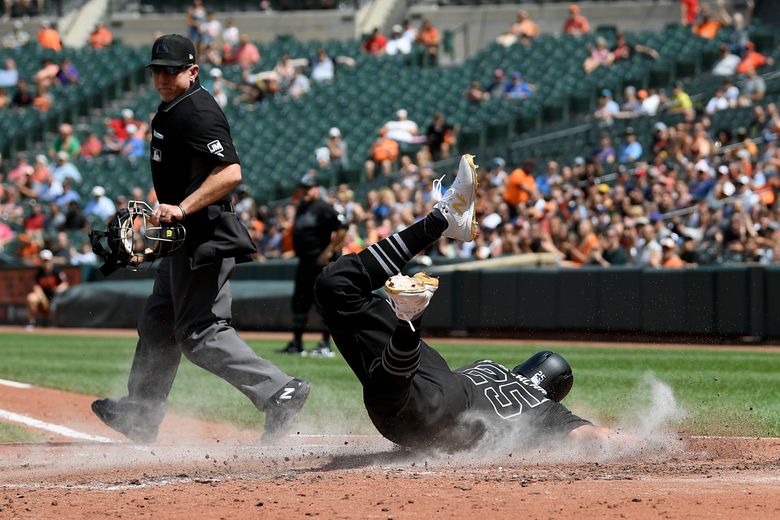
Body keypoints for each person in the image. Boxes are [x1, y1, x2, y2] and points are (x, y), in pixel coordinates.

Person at [91, 34, 310, 445]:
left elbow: (230, 173)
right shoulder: (171, 109)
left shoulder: (197, 111)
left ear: (192, 71)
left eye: (171, 70)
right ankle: (140, 414)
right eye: (157, 69)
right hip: (181, 238)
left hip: (203, 236)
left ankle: (278, 391)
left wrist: (182, 206)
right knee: (157, 324)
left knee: (200, 334)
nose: (162, 76)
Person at [314, 155, 615, 451]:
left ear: (528, 366)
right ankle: (409, 318)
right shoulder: (542, 408)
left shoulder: (489, 368)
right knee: (396, 391)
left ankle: (436, 228)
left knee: (335, 285)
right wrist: (653, 447)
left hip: (436, 386)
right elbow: (594, 436)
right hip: (427, 414)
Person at [280, 173, 347, 357]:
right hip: (304, 262)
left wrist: (328, 250)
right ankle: (297, 343)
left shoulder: (323, 207)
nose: (305, 191)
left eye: (309, 188)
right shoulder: (302, 207)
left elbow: (343, 226)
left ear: (317, 188)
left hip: (320, 262)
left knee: (323, 303)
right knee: (300, 302)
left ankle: (325, 344)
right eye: (303, 188)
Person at [25, 249, 68, 329]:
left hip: (55, 298)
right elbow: (36, 287)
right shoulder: (39, 273)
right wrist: (43, 299)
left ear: (51, 260)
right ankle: (32, 322)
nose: (46, 263)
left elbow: (65, 284)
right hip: (44, 299)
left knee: (59, 300)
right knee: (31, 297)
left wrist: (58, 289)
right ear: (41, 261)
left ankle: (56, 324)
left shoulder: (57, 271)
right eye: (44, 261)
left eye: (47, 260)